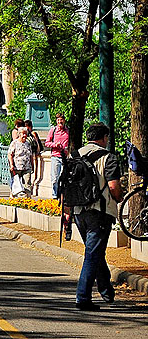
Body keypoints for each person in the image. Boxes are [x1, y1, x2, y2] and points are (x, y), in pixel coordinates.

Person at [64, 122, 123, 311]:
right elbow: (113, 187)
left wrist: (67, 211)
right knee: (92, 254)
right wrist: (119, 198)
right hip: (100, 211)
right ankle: (83, 297)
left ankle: (106, 291)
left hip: (79, 212)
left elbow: (66, 185)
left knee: (95, 252)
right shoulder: (109, 158)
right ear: (104, 137)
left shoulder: (74, 156)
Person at [45, 114, 70, 198]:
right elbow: (47, 143)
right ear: (56, 121)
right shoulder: (53, 130)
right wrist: (55, 144)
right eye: (58, 120)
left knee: (65, 178)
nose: (60, 122)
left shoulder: (68, 130)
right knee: (55, 178)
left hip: (65, 157)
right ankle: (55, 195)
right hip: (55, 156)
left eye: (61, 120)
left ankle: (64, 195)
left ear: (64, 121)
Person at [8, 126, 34, 197]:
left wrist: (32, 165)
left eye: (26, 134)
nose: (24, 135)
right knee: (16, 183)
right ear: (19, 134)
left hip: (27, 167)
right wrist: (11, 165)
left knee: (27, 183)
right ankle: (14, 197)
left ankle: (28, 198)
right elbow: (10, 154)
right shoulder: (14, 143)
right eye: (23, 134)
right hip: (17, 167)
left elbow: (31, 155)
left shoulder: (28, 143)